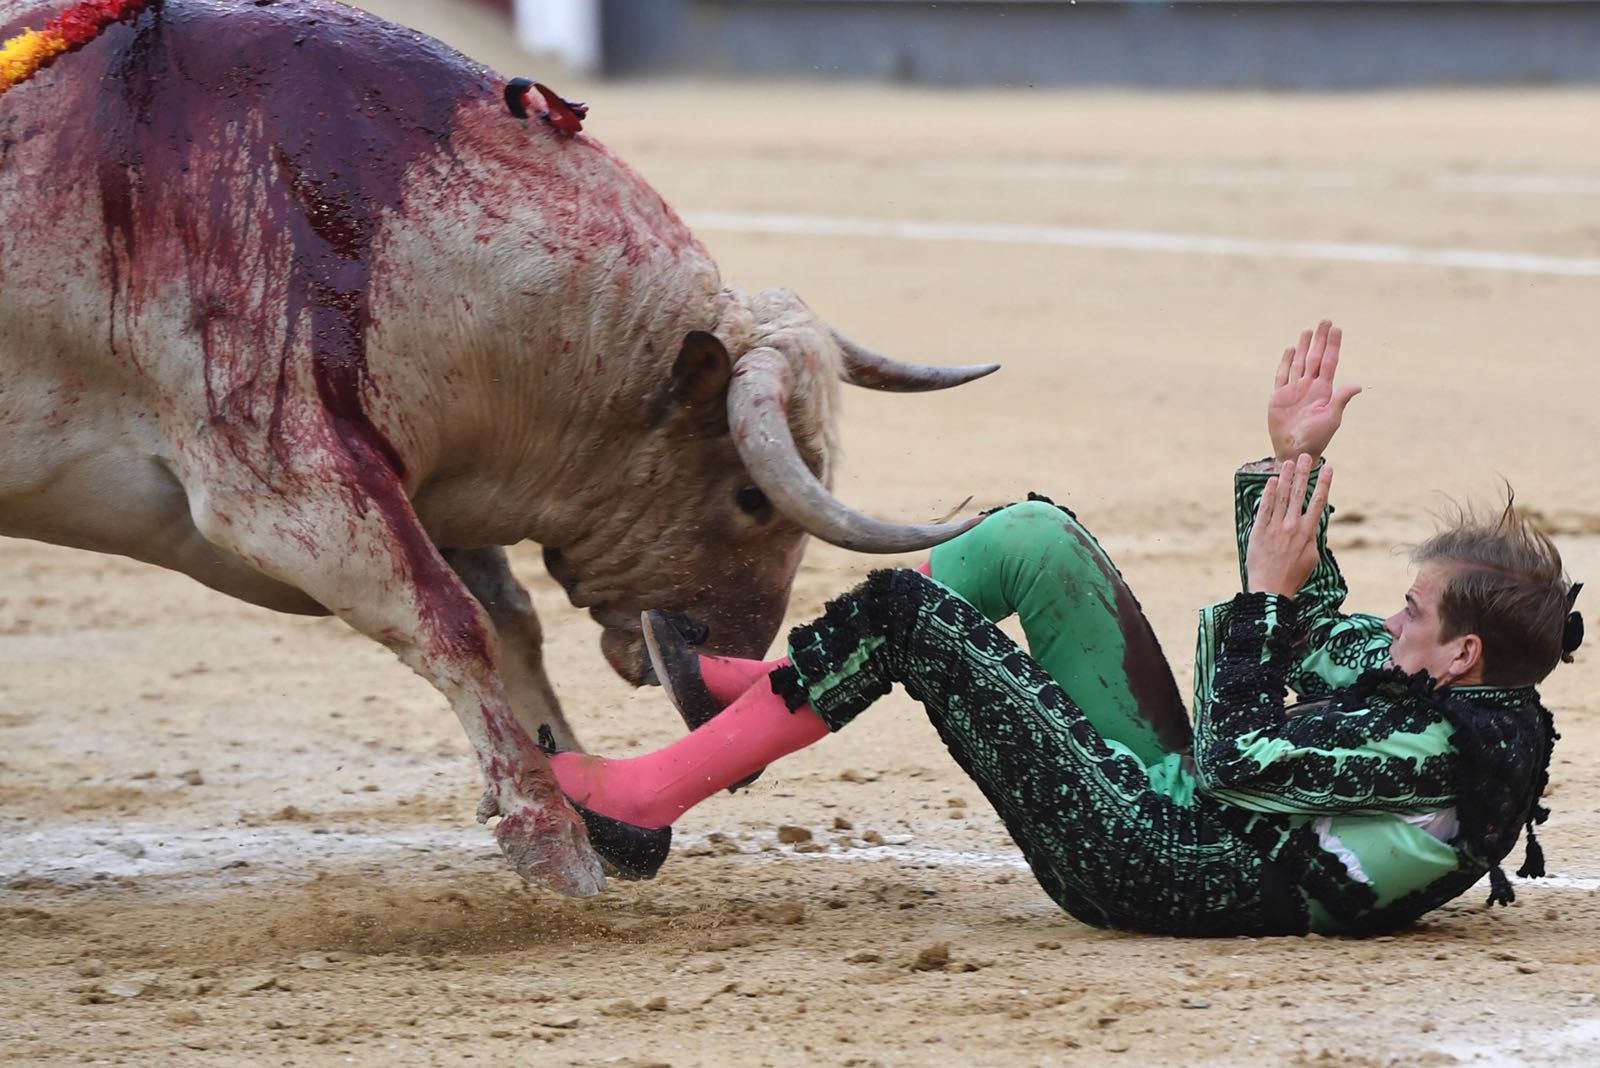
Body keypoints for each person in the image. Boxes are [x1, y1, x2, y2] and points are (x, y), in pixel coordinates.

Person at [546, 320, 1584, 937]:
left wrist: (1262, 603)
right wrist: (1292, 459)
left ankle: (653, 792)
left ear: (1462, 653)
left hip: (1159, 870)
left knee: (912, 619)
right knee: (1034, 537)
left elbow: (1232, 760)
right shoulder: (1438, 680)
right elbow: (1318, 629)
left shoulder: (1447, 747)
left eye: (1413, 609)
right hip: (1186, 816)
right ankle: (774, 696)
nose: (1389, 619)